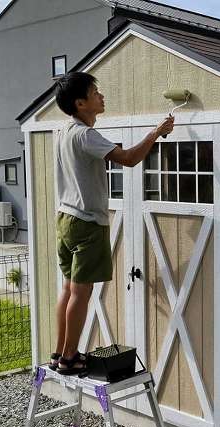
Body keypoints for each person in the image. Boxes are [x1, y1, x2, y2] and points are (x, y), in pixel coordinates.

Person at [50, 71, 174, 375]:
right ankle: (69, 358)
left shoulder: (63, 131)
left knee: (68, 289)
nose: (101, 96)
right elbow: (129, 159)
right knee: (81, 292)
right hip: (87, 223)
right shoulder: (85, 135)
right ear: (80, 103)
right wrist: (154, 133)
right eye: (95, 93)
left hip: (66, 220)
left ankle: (58, 354)